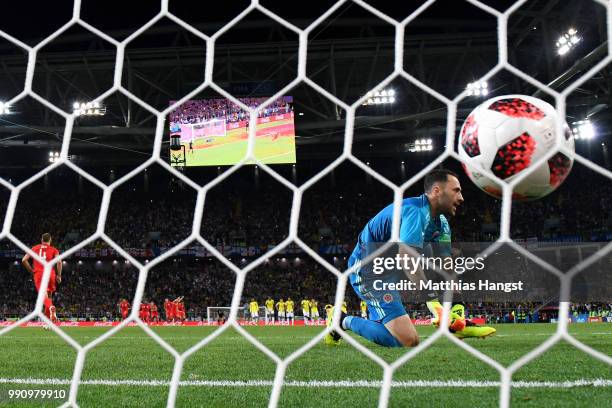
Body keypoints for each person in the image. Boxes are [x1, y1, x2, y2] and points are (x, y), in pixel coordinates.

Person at [325, 169, 496, 347]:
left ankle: (365, 323)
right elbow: (407, 258)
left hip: (392, 269)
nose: (461, 198)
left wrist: (457, 308)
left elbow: (447, 267)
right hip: (369, 271)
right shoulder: (414, 211)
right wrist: (434, 306)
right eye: (456, 190)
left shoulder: (441, 224)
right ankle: (341, 320)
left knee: (432, 253)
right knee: (407, 340)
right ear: (437, 191)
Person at [22, 233, 61, 325]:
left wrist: (32, 271)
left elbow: (24, 260)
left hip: (39, 274)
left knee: (44, 296)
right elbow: (59, 262)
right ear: (50, 240)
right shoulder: (54, 250)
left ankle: (51, 307)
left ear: (41, 240)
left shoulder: (35, 248)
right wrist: (59, 275)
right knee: (49, 296)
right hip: (50, 273)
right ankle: (48, 321)